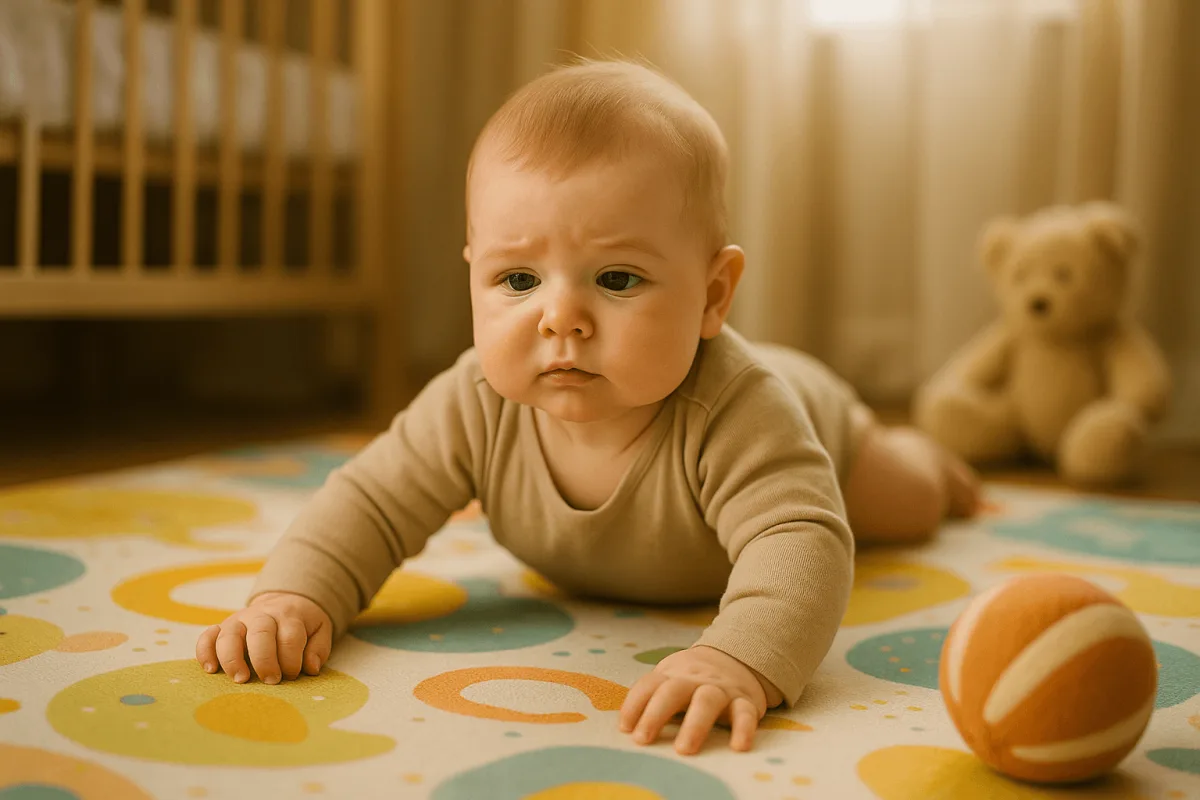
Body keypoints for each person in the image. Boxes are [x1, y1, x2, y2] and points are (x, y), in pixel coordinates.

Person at [196, 59, 979, 756]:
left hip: (822, 424)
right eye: (518, 280)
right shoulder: (472, 402)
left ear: (713, 295)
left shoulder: (739, 411)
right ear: (473, 274)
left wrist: (737, 657)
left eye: (616, 280)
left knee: (902, 507)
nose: (559, 317)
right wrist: (293, 596)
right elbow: (368, 502)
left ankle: (933, 459)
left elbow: (800, 538)